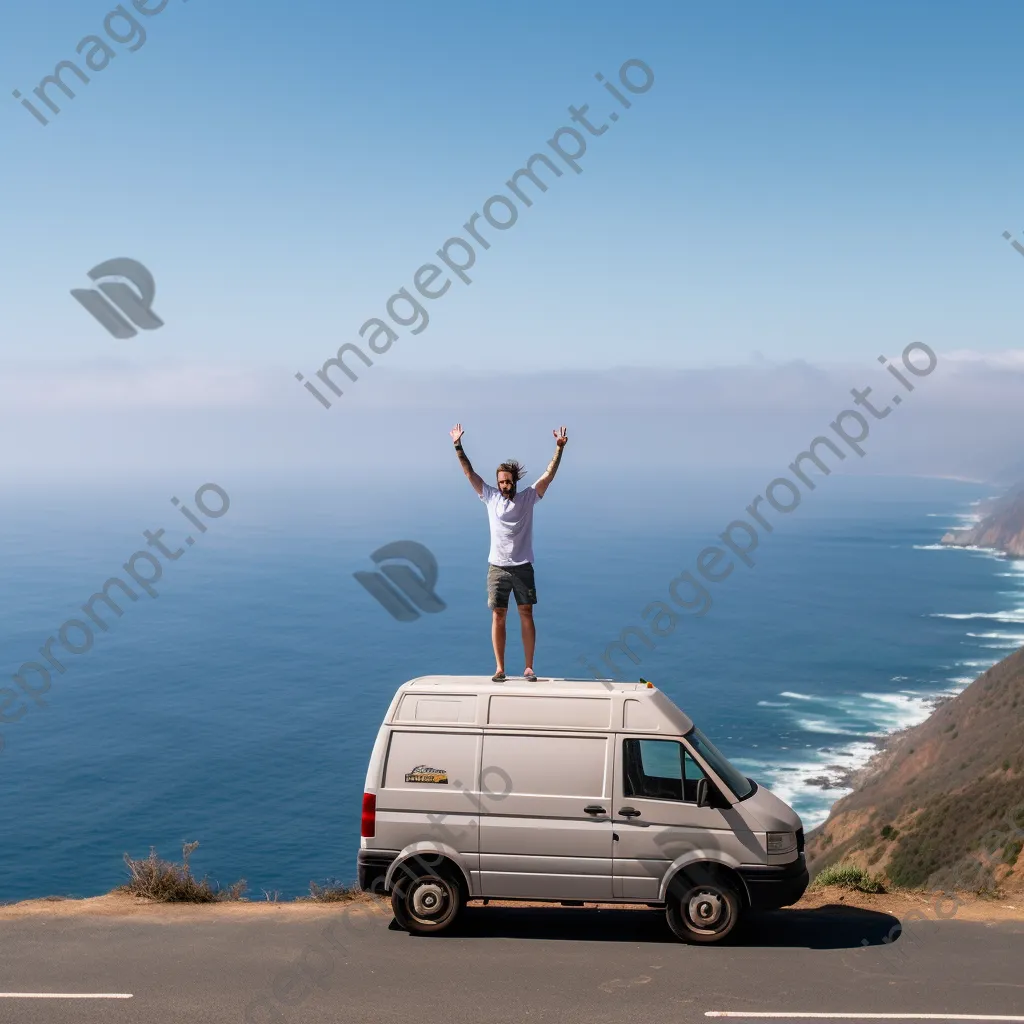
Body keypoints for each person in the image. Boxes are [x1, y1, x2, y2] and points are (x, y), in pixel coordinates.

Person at [450, 423, 568, 682]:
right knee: (498, 614)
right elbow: (470, 474)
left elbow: (548, 476)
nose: (504, 485)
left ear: (515, 481)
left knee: (526, 612)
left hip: (523, 565)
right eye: (501, 482)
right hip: (497, 567)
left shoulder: (528, 498)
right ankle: (500, 668)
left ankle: (528, 667)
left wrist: (559, 449)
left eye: (508, 481)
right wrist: (458, 445)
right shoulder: (490, 497)